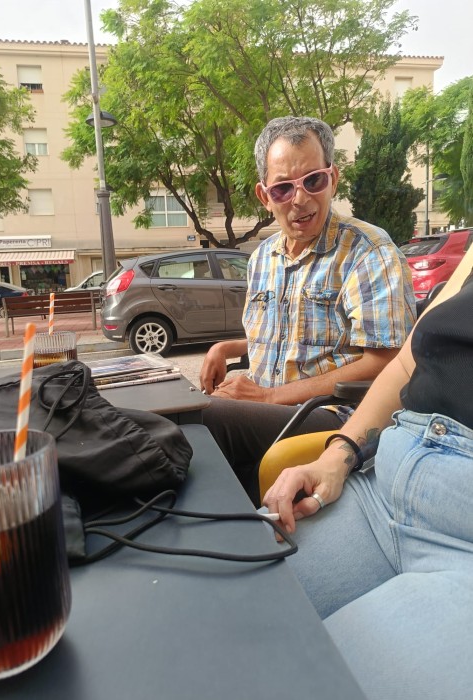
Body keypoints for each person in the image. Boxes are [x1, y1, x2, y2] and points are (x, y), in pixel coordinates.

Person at [262, 243, 473, 700]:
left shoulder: (365, 250)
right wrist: (336, 458)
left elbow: (379, 354)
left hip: (463, 529)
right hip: (381, 485)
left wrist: (265, 398)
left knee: (303, 683)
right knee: (210, 617)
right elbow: (407, 362)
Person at [200, 116, 416, 504]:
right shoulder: (262, 258)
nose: (299, 199)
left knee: (203, 418)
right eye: (283, 188)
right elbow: (288, 335)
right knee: (176, 409)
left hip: (333, 416)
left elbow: (388, 362)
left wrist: (267, 398)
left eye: (313, 180)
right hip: (268, 410)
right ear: (264, 196)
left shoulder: (369, 252)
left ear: (333, 179)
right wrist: (225, 348)